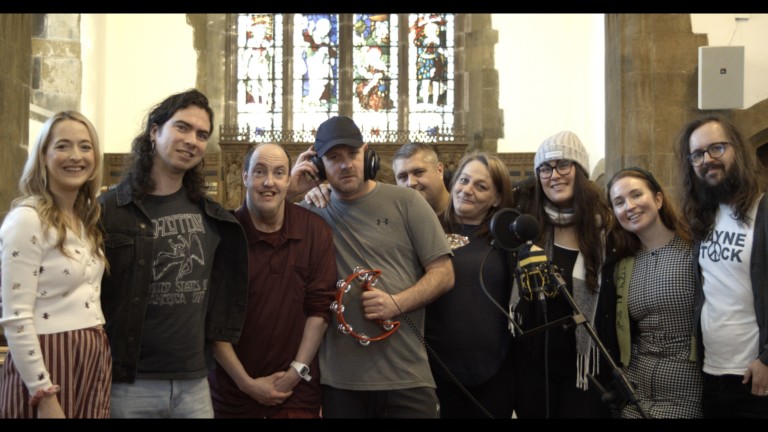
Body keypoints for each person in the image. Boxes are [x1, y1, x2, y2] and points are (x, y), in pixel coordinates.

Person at [290, 115, 454, 418]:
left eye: (352, 154)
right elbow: (249, 229)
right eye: (333, 158)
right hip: (341, 383)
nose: (345, 164)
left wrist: (396, 303)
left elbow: (443, 274)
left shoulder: (407, 202)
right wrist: (290, 189)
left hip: (406, 377)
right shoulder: (310, 212)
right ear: (318, 166)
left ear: (368, 153)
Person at [99, 89, 249, 418]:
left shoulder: (213, 216)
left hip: (195, 383)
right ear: (155, 132)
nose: (192, 140)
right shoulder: (109, 211)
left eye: (202, 134)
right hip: (129, 384)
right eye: (182, 127)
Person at [208, 143, 337, 418]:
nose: (269, 182)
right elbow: (212, 319)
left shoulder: (315, 231)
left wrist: (296, 372)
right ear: (244, 176)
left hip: (296, 392)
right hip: (231, 392)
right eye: (259, 172)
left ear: (288, 179)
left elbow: (319, 309)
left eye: (279, 173)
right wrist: (247, 384)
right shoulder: (223, 234)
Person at [0, 111, 111, 418]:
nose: (76, 156)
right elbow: (16, 317)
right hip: (48, 361)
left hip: (89, 357)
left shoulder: (86, 218)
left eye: (85, 146)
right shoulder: (27, 219)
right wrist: (44, 393)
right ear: (44, 156)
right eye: (63, 146)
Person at [508, 130, 619, 418]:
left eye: (563, 165)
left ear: (580, 171)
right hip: (534, 368)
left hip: (585, 368)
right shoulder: (528, 229)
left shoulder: (607, 231)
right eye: (545, 168)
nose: (554, 174)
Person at [675, 115, 768, 418]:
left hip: (755, 374)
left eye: (716, 148)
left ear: (737, 151)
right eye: (697, 154)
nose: (707, 160)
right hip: (712, 371)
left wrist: (767, 360)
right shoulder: (705, 216)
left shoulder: (763, 210)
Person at [424, 152, 516, 418]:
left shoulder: (508, 240)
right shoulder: (427, 228)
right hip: (435, 368)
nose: (467, 190)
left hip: (494, 371)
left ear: (497, 198)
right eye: (463, 180)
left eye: (481, 186)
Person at [607, 167, 703, 418]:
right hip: (636, 391)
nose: (629, 206)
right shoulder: (624, 264)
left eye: (636, 195)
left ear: (658, 199)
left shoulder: (694, 251)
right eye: (619, 202)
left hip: (687, 388)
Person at [303, 141, 450, 217]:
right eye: (402, 177)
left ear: (439, 170)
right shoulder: (396, 214)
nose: (411, 183)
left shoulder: (466, 209)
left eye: (418, 172)